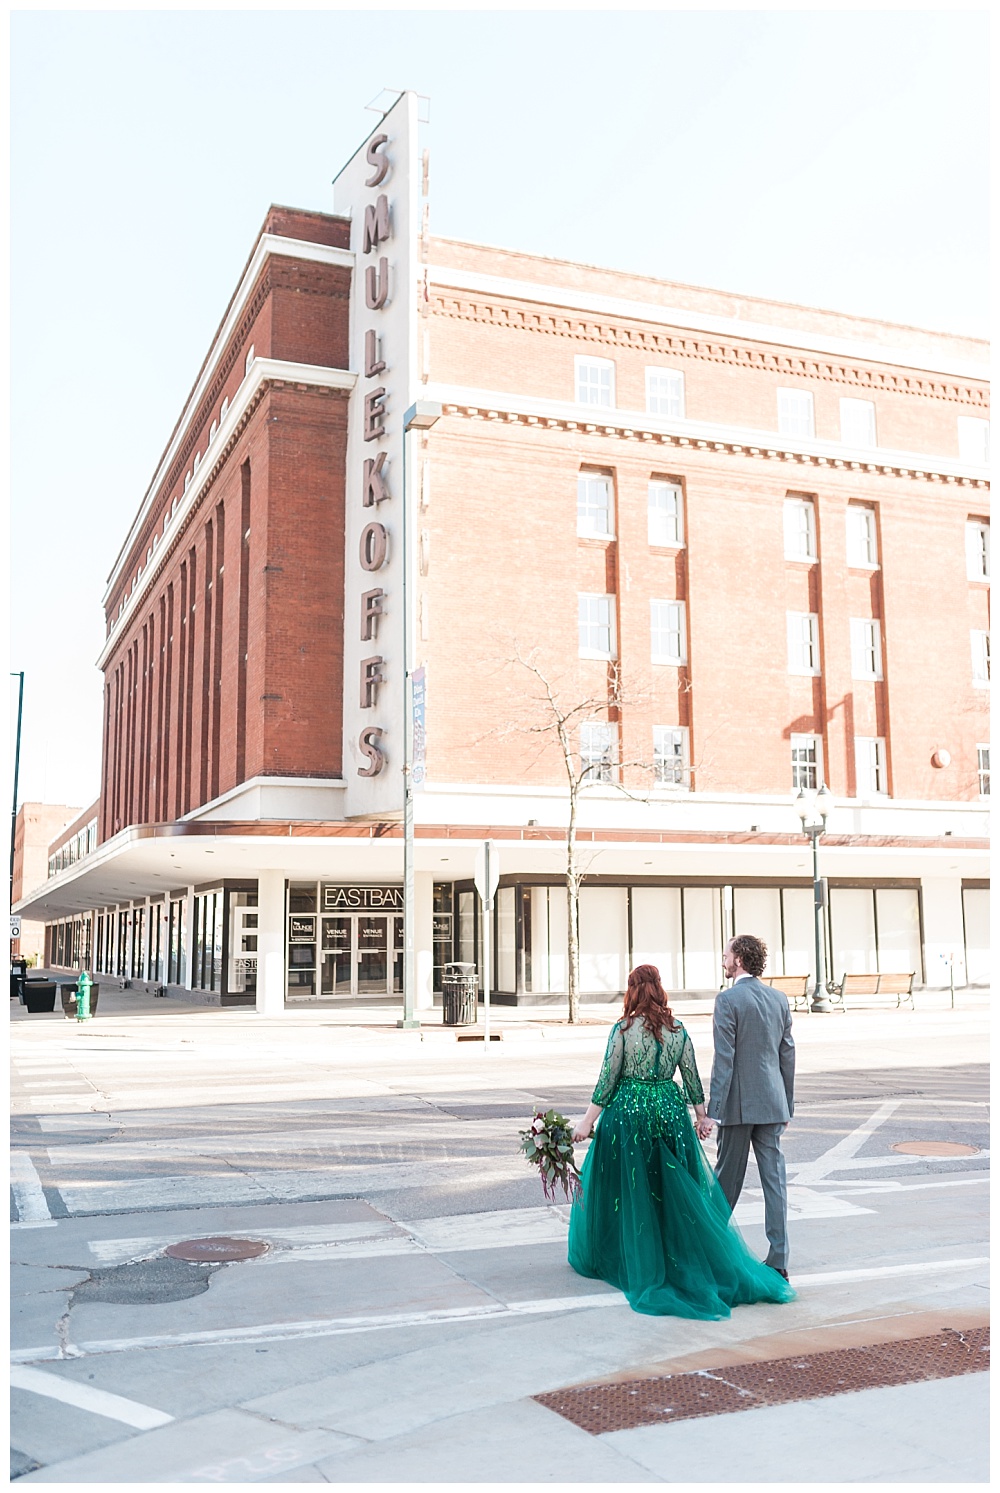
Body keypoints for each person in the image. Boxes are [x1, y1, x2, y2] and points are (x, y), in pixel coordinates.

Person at [567, 963, 794, 1319]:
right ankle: (675, 1251)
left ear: (632, 991)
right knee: (668, 1190)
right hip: (670, 1114)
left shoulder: (623, 1030)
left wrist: (585, 1123)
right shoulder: (678, 1030)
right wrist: (702, 1116)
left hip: (631, 1113)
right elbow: (691, 1079)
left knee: (630, 1189)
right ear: (658, 990)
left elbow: (607, 1081)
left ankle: (635, 1255)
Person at [708, 934, 795, 1282]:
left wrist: (713, 1110)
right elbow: (787, 1055)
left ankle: (708, 1250)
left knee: (726, 1181)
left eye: (727, 954)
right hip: (773, 1104)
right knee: (775, 1182)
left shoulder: (727, 1000)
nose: (723, 959)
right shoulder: (779, 999)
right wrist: (786, 1104)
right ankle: (779, 1260)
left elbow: (724, 1060)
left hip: (739, 1106)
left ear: (740, 959)